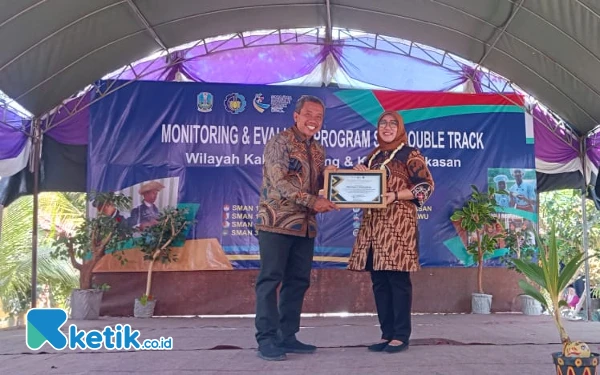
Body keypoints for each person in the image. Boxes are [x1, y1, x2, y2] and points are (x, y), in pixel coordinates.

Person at [254, 95, 338, 361]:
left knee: (298, 281)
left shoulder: (318, 149)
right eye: (309, 115)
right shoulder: (280, 142)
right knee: (270, 280)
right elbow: (280, 183)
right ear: (296, 116)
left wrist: (333, 178)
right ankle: (266, 338)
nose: (313, 121)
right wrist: (314, 200)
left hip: (305, 227)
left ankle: (287, 335)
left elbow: (320, 184)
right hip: (277, 223)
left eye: (319, 117)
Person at [347, 110, 434, 354]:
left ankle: (401, 336)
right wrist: (355, 175)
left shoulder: (410, 154)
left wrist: (395, 195)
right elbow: (355, 186)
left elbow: (426, 187)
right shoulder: (373, 156)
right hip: (373, 228)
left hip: (398, 228)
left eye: (392, 123)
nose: (387, 127)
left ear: (400, 128)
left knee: (398, 281)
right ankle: (386, 334)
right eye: (382, 123)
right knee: (379, 282)